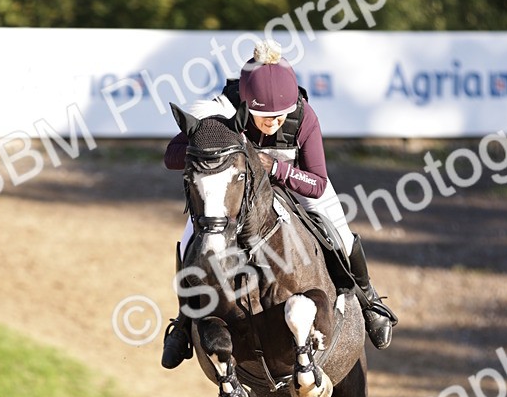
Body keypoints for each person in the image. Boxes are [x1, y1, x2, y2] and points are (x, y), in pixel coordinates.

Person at [161, 41, 398, 368]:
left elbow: (318, 184)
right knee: (193, 236)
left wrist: (274, 167)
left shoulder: (303, 117)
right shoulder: (224, 110)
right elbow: (171, 156)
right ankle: (184, 323)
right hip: (237, 191)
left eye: (278, 116)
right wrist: (215, 150)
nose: (271, 123)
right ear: (246, 103)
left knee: (339, 231)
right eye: (262, 116)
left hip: (295, 182)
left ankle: (368, 299)